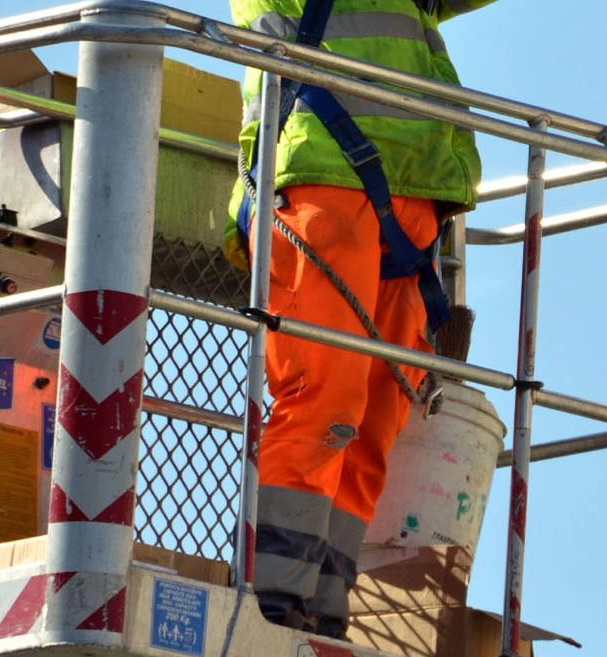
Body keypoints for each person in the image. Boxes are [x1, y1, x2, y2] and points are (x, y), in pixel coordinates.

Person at [223, 0, 498, 639]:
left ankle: (324, 595)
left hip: (412, 195)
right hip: (323, 169)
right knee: (326, 391)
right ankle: (275, 591)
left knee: (377, 415)